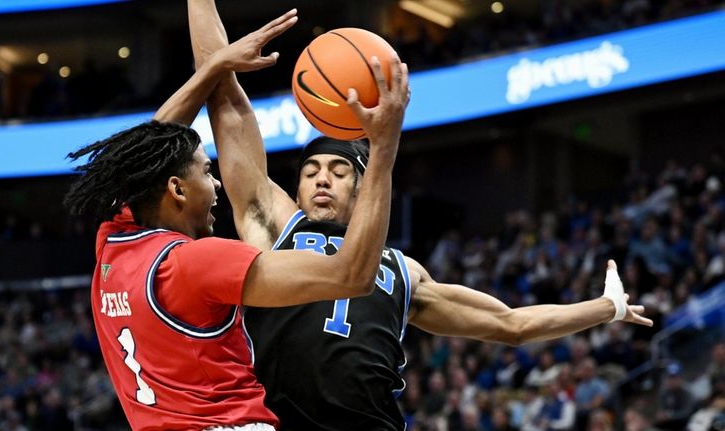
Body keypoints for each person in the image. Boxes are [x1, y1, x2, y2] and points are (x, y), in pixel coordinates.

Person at [192, 2, 652, 430]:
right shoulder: (276, 227)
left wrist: (606, 307)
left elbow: (511, 325)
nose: (321, 180)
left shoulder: (403, 272)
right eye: (310, 172)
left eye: (337, 171)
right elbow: (227, 106)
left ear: (362, 186)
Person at [63, 7, 408, 430]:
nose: (219, 186)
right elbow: (352, 274)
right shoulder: (194, 264)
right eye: (208, 172)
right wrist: (384, 149)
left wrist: (216, 66)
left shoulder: (113, 246)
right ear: (175, 189)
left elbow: (147, 149)